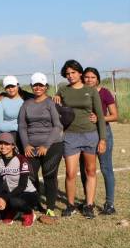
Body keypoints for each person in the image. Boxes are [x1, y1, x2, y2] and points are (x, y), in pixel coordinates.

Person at [56, 60, 106, 219]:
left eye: (73, 73)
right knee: (70, 173)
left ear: (80, 73)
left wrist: (102, 139)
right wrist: (56, 97)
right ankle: (70, 205)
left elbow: (100, 116)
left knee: (90, 170)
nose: (70, 76)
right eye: (68, 73)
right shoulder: (62, 90)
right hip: (70, 136)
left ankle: (89, 205)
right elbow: (57, 109)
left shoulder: (91, 91)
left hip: (90, 135)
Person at [17, 72, 63, 220]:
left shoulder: (51, 103)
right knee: (30, 176)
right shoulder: (26, 104)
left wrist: (46, 145)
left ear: (46, 87)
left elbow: (57, 126)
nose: (38, 87)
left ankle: (50, 208)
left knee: (49, 176)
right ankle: (35, 204)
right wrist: (26, 145)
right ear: (31, 86)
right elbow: (22, 126)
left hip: (52, 145)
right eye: (35, 85)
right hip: (31, 146)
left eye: (41, 85)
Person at [81, 67, 118, 215]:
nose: (89, 80)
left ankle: (110, 204)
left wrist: (99, 118)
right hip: (84, 134)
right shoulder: (80, 93)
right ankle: (88, 202)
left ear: (97, 79)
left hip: (103, 133)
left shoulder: (104, 93)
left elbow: (115, 115)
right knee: (86, 169)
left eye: (92, 77)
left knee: (106, 168)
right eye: (87, 77)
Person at [0, 132, 37, 227]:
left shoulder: (22, 159)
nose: (3, 146)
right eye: (0, 143)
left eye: (7, 144)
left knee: (14, 201)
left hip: (27, 192)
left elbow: (22, 186)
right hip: (11, 192)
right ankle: (12, 211)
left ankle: (29, 213)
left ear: (13, 145)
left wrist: (5, 199)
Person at [0, 76, 24, 140]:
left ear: (17, 85)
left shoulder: (25, 100)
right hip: (8, 137)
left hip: (24, 136)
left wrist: (6, 124)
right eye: (7, 87)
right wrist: (16, 127)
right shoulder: (1, 103)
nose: (11, 89)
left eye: (13, 86)